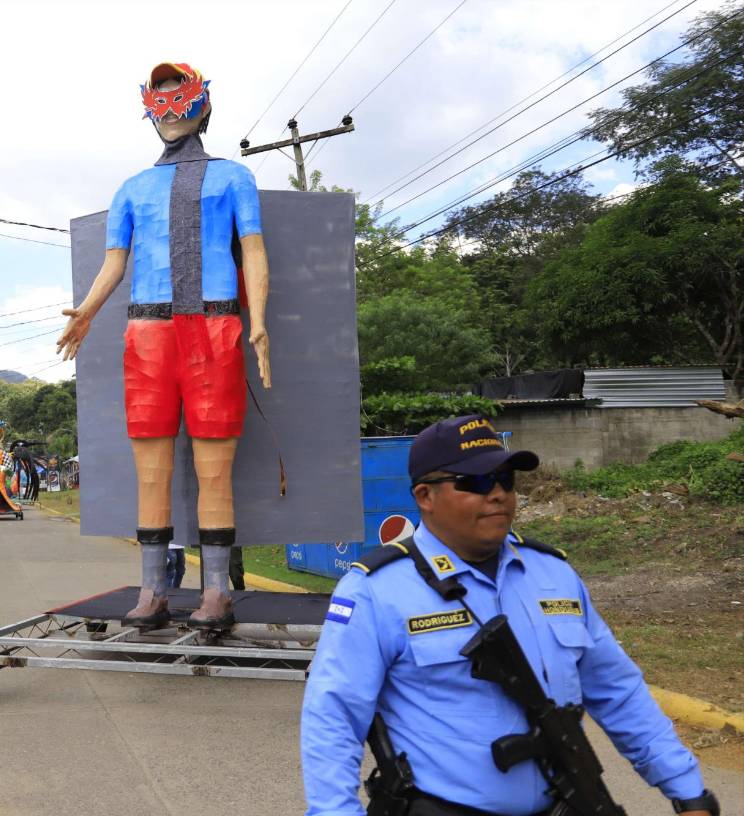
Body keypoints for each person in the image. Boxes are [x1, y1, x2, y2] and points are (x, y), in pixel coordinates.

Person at [300, 415, 719, 816]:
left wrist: (687, 792)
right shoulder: (376, 589)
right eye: (476, 482)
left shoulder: (553, 573)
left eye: (505, 479)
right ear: (425, 497)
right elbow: (333, 716)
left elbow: (618, 691)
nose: (497, 493)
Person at [57, 61, 270, 630]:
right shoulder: (131, 189)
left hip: (215, 326)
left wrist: (260, 321)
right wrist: (88, 310)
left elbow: (252, 250)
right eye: (161, 99)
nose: (172, 109)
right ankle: (153, 590)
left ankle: (217, 591)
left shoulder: (234, 178)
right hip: (148, 331)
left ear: (203, 104)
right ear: (148, 107)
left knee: (214, 468)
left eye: (182, 97)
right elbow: (114, 263)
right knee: (150, 470)